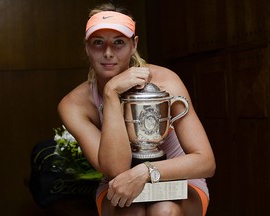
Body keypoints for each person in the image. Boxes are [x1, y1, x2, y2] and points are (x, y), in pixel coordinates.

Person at [58, 2, 216, 216]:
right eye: (98, 42)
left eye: (119, 42)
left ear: (134, 45)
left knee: (165, 210)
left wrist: (146, 171)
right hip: (119, 185)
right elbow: (116, 170)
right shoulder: (74, 105)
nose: (107, 53)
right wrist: (111, 93)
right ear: (86, 47)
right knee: (131, 212)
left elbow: (205, 161)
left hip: (179, 180)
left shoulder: (165, 81)